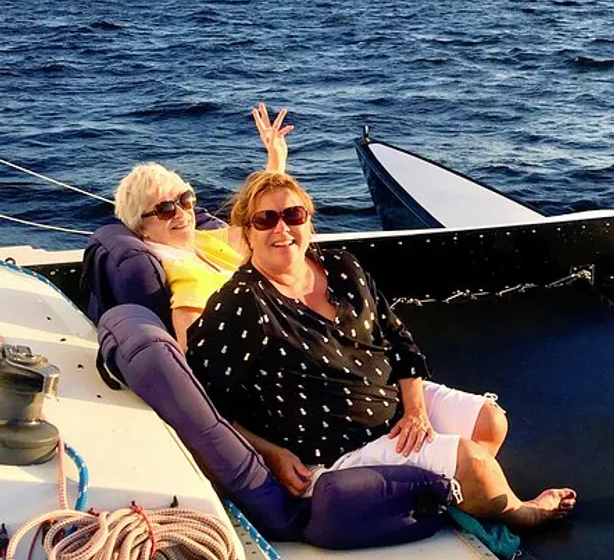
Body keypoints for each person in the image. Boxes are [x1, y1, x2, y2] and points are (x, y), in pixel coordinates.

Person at [186, 171, 577, 528]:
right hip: (340, 446)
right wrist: (270, 452)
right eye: (265, 219)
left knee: (492, 422)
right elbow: (204, 402)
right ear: (244, 233)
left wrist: (416, 411)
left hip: (395, 406)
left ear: (309, 220)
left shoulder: (341, 267)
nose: (282, 228)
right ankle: (518, 512)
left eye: (294, 215)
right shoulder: (240, 304)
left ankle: (444, 491)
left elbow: (399, 341)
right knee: (476, 466)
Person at [112, 103, 293, 350]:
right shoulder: (184, 273)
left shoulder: (199, 242)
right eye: (165, 209)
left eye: (185, 200)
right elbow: (194, 348)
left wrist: (276, 161)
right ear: (141, 226)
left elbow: (251, 227)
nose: (181, 214)